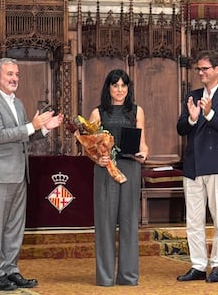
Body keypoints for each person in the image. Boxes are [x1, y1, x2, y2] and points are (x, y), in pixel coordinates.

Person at [0, 57, 63, 291]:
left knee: (15, 225)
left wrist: (45, 128)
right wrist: (33, 126)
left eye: (16, 74)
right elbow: (1, 135)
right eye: (10, 74)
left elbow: (25, 134)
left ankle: (11, 270)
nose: (15, 78)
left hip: (18, 172)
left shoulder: (17, 103)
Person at [176, 50, 218, 283]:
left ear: (217, 69)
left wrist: (210, 114)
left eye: (204, 68)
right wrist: (193, 118)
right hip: (194, 163)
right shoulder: (192, 95)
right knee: (193, 220)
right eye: (199, 69)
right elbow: (181, 128)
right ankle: (197, 265)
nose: (201, 73)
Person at [88, 69, 149, 287]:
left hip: (130, 167)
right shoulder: (97, 113)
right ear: (109, 88)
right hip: (106, 169)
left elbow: (143, 144)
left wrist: (144, 153)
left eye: (124, 85)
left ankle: (128, 276)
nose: (120, 90)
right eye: (115, 85)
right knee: (105, 223)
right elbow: (89, 147)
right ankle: (105, 277)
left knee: (129, 222)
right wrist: (98, 159)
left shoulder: (136, 111)